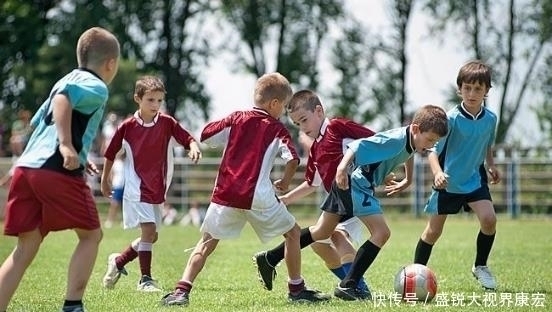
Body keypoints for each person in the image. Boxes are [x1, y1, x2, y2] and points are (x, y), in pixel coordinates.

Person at [160, 73, 330, 306]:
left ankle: (182, 290)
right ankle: (296, 289)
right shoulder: (276, 128)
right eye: (282, 107)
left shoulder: (236, 118)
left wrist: (232, 122)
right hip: (258, 197)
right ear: (274, 104)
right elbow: (292, 159)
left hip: (225, 196)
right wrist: (285, 182)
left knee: (207, 241)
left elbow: (206, 134)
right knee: (292, 233)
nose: (282, 113)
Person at [0, 27, 120, 312]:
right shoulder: (96, 86)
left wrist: (74, 151)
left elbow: (40, 125)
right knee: (91, 235)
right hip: (54, 169)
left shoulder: (62, 80)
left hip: (29, 168)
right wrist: (66, 145)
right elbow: (63, 100)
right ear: (110, 64)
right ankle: (73, 305)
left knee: (26, 246)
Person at [253, 90, 376, 294]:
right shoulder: (317, 148)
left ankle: (356, 287)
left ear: (319, 111)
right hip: (338, 200)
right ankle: (351, 284)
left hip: (356, 194)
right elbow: (311, 183)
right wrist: (285, 199)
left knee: (336, 236)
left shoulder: (337, 127)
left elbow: (376, 140)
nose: (302, 127)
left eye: (304, 120)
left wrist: (382, 169)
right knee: (318, 243)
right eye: (298, 124)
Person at [333, 104, 448, 300]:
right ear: (415, 129)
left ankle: (275, 256)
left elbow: (409, 153)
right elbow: (358, 145)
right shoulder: (396, 138)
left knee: (319, 232)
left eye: (434, 142)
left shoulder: (412, 140)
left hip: (363, 186)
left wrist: (408, 179)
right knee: (381, 232)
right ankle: (348, 284)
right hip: (358, 184)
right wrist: (341, 168)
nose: (430, 146)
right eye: (429, 140)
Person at [100, 76, 201, 292]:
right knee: (149, 230)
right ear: (137, 98)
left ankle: (118, 262)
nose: (155, 105)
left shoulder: (167, 123)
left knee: (152, 236)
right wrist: (105, 180)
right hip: (136, 188)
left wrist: (193, 147)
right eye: (150, 100)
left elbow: (188, 138)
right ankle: (145, 279)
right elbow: (109, 154)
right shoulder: (126, 127)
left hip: (157, 189)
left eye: (159, 101)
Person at [413, 60, 500, 290]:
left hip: (474, 181)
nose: (472, 93)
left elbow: (487, 145)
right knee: (433, 232)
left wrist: (491, 165)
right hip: (448, 184)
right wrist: (438, 173)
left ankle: (480, 266)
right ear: (459, 89)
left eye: (478, 89)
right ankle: (415, 275)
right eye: (467, 88)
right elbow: (432, 151)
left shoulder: (491, 119)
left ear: (487, 92)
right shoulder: (450, 119)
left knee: (489, 220)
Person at [104, 150, 125, 229]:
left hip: (124, 186)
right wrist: (111, 183)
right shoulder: (115, 163)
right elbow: (111, 174)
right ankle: (110, 220)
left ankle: (124, 221)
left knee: (124, 205)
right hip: (117, 185)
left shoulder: (126, 163)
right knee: (114, 204)